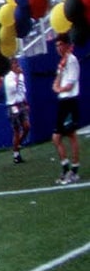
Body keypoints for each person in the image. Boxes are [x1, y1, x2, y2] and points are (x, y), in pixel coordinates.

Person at [57, 41, 81, 184]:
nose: (58, 48)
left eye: (61, 45)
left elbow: (70, 84)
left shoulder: (71, 60)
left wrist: (59, 88)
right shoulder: (63, 61)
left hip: (69, 100)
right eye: (57, 45)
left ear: (67, 45)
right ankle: (67, 169)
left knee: (70, 135)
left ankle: (73, 171)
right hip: (63, 101)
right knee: (57, 137)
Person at [5, 57, 29, 164]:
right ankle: (16, 153)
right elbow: (13, 89)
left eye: (17, 63)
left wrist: (25, 102)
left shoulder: (21, 76)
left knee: (27, 127)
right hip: (13, 105)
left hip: (21, 104)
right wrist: (18, 75)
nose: (17, 65)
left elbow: (22, 90)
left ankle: (18, 144)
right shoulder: (8, 77)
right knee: (16, 130)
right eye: (14, 64)